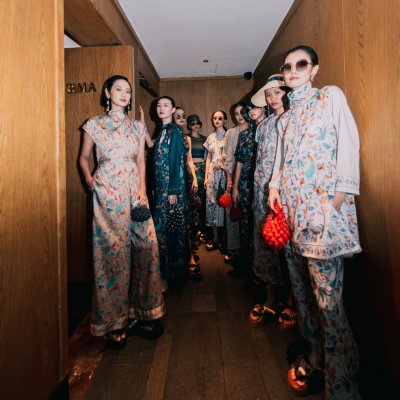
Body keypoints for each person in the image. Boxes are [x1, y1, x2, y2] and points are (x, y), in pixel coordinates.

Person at [269, 45, 361, 399]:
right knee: (304, 296)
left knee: (329, 305)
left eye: (301, 64)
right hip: (291, 218)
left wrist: (335, 201)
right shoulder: (284, 119)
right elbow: (281, 162)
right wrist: (274, 187)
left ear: (314, 69)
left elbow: (349, 146)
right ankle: (316, 355)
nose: (293, 70)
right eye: (287, 66)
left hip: (322, 218)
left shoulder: (329, 97)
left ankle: (343, 385)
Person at [79, 75, 165, 349]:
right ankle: (114, 321)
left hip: (135, 192)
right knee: (113, 254)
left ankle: (144, 311)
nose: (125, 94)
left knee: (148, 247)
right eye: (119, 89)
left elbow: (140, 160)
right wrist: (90, 180)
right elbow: (83, 157)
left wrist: (143, 188)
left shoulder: (137, 126)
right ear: (107, 92)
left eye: (128, 91)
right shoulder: (94, 123)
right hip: (107, 191)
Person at [247, 75, 297, 332]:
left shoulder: (295, 119)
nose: (273, 97)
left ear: (287, 93)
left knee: (289, 247)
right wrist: (257, 194)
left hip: (286, 195)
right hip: (261, 193)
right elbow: (260, 161)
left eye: (278, 92)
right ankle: (269, 299)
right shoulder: (263, 125)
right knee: (265, 244)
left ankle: (291, 301)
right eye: (268, 94)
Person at [153, 96, 198, 291]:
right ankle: (168, 273)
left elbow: (175, 162)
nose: (161, 108)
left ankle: (169, 274)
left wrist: (172, 191)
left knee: (167, 231)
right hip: (163, 189)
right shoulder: (163, 131)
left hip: (171, 191)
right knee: (167, 230)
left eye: (166, 105)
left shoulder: (174, 131)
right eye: (159, 105)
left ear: (172, 110)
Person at [173, 107, 201, 281]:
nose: (182, 118)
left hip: (187, 179)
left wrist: (195, 179)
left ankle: (189, 255)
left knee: (188, 219)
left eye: (183, 116)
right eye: (178, 116)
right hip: (172, 181)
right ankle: (179, 257)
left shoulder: (187, 138)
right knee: (176, 220)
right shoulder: (168, 135)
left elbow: (189, 161)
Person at [231, 101, 259, 259]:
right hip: (244, 183)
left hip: (262, 183)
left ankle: (260, 259)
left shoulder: (268, 129)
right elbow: (239, 163)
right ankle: (248, 257)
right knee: (245, 221)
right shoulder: (245, 134)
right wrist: (235, 187)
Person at [222, 103, 246, 262]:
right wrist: (229, 180)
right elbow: (227, 157)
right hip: (232, 176)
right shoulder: (230, 133)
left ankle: (247, 250)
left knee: (246, 215)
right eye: (236, 113)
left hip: (249, 177)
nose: (239, 116)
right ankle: (233, 248)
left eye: (242, 112)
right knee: (231, 213)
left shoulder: (255, 130)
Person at [204, 111, 228, 250]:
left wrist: (223, 165)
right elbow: (208, 158)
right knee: (211, 204)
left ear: (225, 120)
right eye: (215, 118)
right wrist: (206, 177)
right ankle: (215, 238)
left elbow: (232, 157)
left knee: (224, 204)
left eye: (220, 118)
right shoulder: (210, 137)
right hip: (212, 174)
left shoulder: (228, 135)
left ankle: (224, 239)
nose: (217, 120)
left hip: (224, 175)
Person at [186, 114, 208, 244]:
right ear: (189, 125)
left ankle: (202, 230)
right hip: (191, 170)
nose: (196, 125)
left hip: (203, 169)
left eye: (197, 123)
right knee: (192, 200)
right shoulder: (186, 138)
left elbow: (208, 156)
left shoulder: (205, 139)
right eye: (193, 123)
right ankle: (193, 232)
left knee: (203, 200)